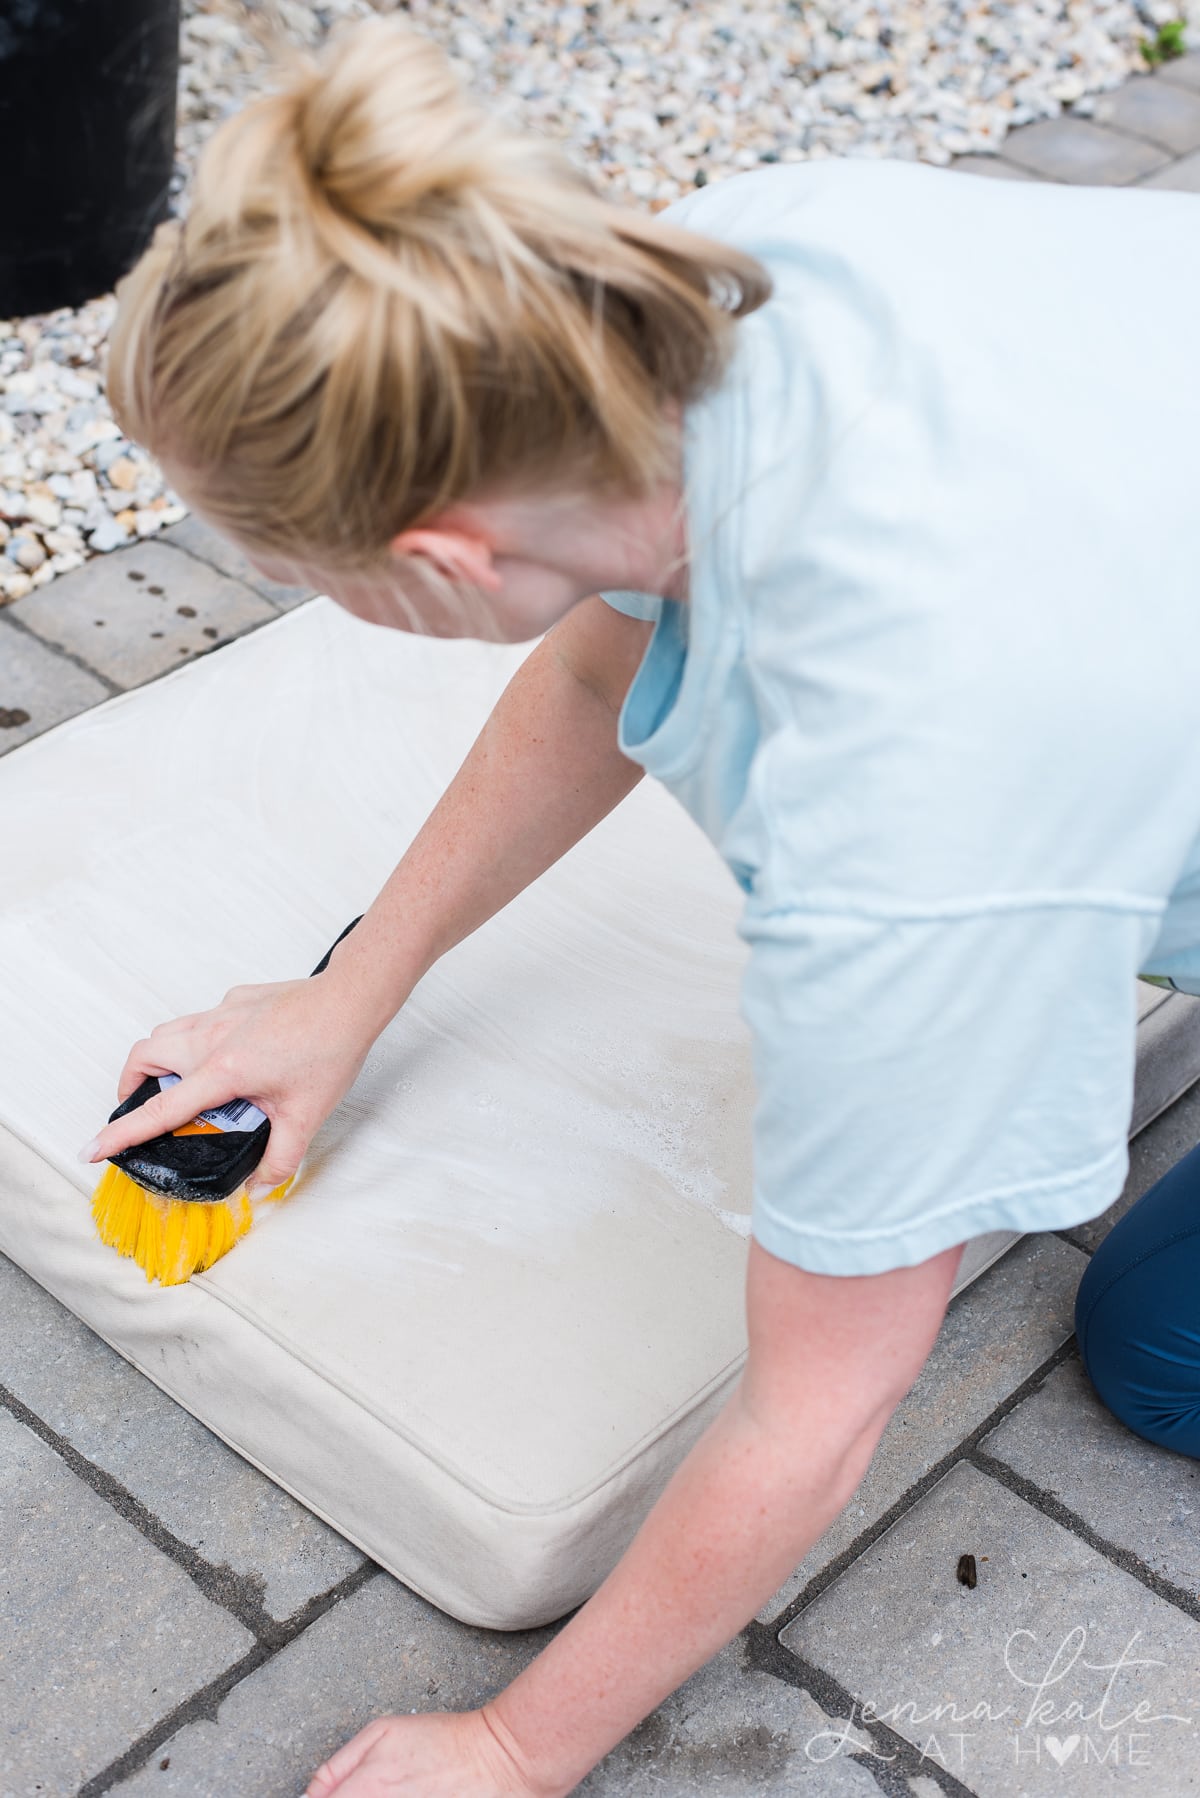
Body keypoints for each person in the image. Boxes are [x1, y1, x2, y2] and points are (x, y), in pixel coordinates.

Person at [85, 15, 1200, 1795]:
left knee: (1158, 1360)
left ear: (436, 562)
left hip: (1045, 717)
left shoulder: (905, 816)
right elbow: (607, 665)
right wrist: (346, 993)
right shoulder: (710, 283)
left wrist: (520, 1748)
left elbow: (820, 1409)